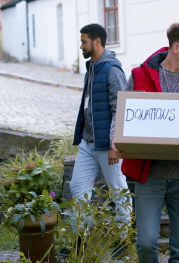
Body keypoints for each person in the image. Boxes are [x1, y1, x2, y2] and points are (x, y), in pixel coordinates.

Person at [112, 20, 179, 263]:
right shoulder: (139, 75)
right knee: (146, 243)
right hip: (149, 175)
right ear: (177, 47)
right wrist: (115, 139)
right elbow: (121, 113)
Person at [70, 23, 130, 216]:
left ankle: (123, 240)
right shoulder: (92, 69)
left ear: (97, 41)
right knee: (77, 188)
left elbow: (120, 110)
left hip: (107, 145)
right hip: (88, 144)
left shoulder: (112, 70)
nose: (81, 46)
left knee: (118, 191)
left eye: (84, 42)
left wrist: (115, 144)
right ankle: (81, 239)